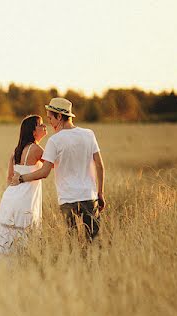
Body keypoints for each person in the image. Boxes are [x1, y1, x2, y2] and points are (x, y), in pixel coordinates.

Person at [10, 97, 106, 241]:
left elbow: (44, 172)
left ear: (59, 116)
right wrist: (100, 193)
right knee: (95, 240)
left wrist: (21, 178)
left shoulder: (54, 141)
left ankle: (72, 263)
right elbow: (100, 165)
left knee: (71, 241)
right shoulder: (88, 134)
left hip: (67, 199)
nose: (49, 122)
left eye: (50, 118)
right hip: (89, 196)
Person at [0, 114, 47, 260]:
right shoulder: (36, 149)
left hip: (10, 197)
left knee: (9, 235)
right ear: (33, 131)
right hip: (26, 198)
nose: (44, 126)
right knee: (26, 233)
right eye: (41, 124)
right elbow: (52, 165)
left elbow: (9, 179)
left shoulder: (15, 151)